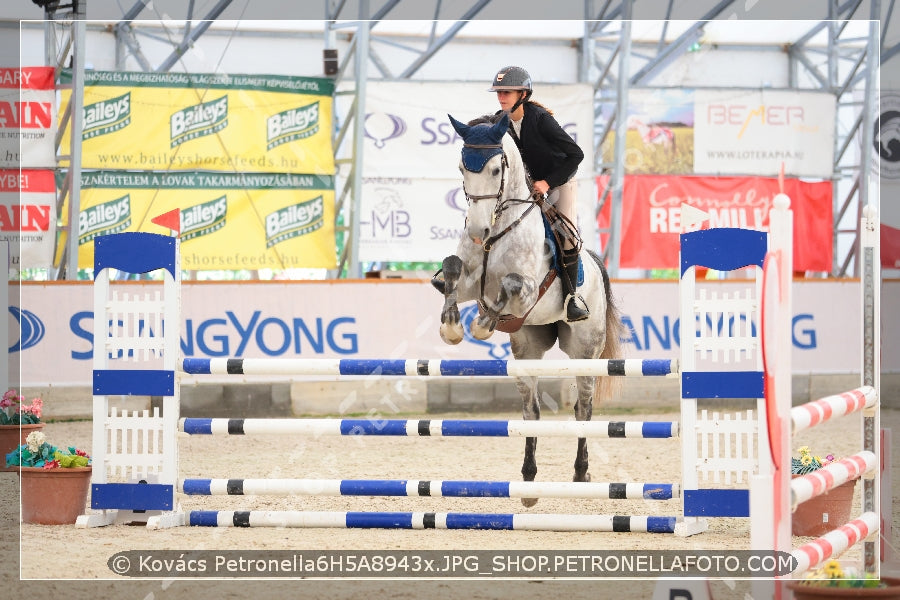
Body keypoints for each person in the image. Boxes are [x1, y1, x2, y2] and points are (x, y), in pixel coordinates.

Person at [489, 65, 588, 322]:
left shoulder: (541, 119)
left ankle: (571, 298)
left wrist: (548, 182)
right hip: (528, 186)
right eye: (498, 93)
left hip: (559, 181)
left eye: (506, 93)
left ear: (523, 94)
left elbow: (576, 155)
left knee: (567, 235)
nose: (501, 98)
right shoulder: (499, 120)